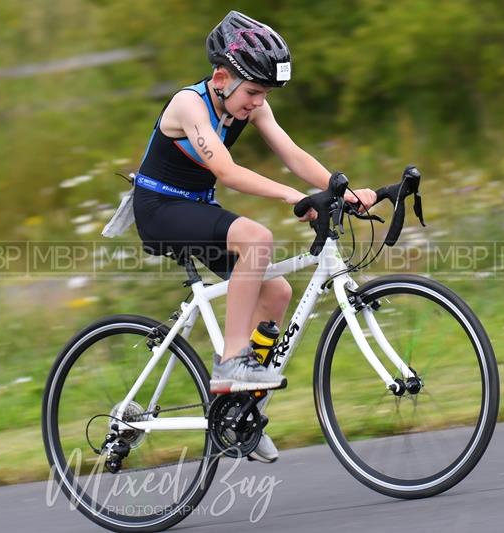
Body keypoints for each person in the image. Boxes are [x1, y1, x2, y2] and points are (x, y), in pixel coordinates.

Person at [131, 10, 376, 461]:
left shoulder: (251, 101)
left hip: (195, 208)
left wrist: (340, 191)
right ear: (221, 76)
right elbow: (225, 170)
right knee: (256, 239)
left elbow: (291, 152)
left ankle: (239, 412)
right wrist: (292, 198)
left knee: (277, 294)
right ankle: (231, 364)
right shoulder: (189, 105)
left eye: (263, 94)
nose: (257, 103)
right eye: (252, 93)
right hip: (159, 209)